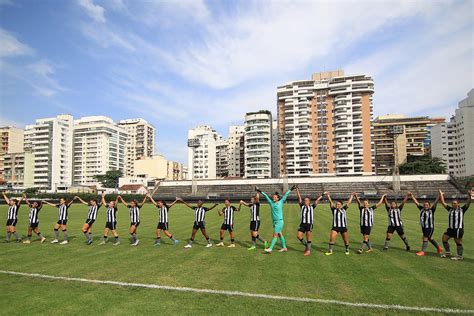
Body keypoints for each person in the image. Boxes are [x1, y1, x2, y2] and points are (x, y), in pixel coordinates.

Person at [256, 184, 296, 254]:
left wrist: (291, 189)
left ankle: (270, 248)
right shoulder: (271, 203)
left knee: (275, 235)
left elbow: (286, 194)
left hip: (279, 222)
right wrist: (260, 191)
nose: (273, 198)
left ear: (278, 198)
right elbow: (266, 196)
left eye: (275, 197)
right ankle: (284, 247)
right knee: (280, 234)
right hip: (274, 222)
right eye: (273, 197)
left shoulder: (280, 202)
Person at [439, 190, 471, 260]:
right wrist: (441, 194)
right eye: (453, 203)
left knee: (458, 242)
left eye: (455, 203)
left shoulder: (462, 210)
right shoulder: (450, 209)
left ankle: (459, 256)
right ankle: (448, 252)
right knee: (444, 239)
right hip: (450, 229)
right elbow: (443, 202)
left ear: (458, 204)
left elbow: (468, 203)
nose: (453, 204)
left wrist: (469, 195)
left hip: (458, 229)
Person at [408, 191, 443, 256]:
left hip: (429, 227)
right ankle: (439, 248)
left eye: (427, 205)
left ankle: (423, 251)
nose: (425, 206)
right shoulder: (421, 209)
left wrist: (439, 195)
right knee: (429, 238)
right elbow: (416, 202)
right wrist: (411, 195)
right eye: (424, 205)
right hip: (423, 227)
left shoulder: (431, 210)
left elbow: (435, 202)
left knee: (425, 238)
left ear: (429, 206)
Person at [295, 186, 323, 256]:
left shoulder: (312, 206)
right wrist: (297, 189)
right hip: (302, 224)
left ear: (309, 201)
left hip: (309, 224)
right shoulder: (302, 206)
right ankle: (307, 247)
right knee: (299, 236)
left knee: (308, 237)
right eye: (305, 200)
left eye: (307, 200)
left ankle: (308, 251)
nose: (305, 201)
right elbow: (299, 198)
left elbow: (317, 201)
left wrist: (323, 194)